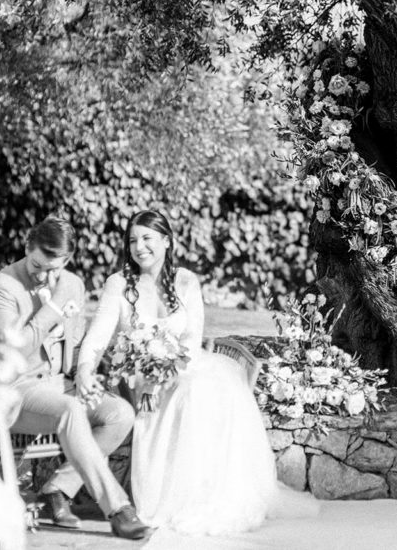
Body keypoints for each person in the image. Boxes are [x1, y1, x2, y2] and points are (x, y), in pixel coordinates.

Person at [76, 209, 318, 535]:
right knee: (190, 394)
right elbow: (97, 338)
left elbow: (191, 341)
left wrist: (167, 374)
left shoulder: (186, 281)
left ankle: (206, 496)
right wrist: (85, 371)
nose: (139, 246)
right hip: (134, 377)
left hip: (181, 367)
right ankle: (169, 500)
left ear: (166, 240)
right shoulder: (118, 285)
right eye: (132, 240)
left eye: (147, 238)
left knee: (213, 390)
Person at [0, 217, 149, 540]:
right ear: (27, 247)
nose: (45, 275)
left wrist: (85, 375)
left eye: (54, 269)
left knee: (120, 413)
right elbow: (9, 355)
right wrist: (53, 310)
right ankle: (118, 509)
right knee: (70, 410)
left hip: (61, 385)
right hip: (16, 390)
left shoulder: (71, 283)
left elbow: (77, 339)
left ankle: (58, 487)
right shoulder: (0, 287)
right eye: (38, 265)